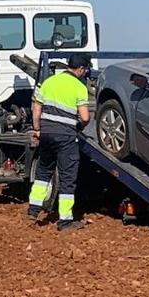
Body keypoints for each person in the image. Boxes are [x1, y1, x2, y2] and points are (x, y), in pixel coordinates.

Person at [27, 53, 92, 230]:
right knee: (67, 178)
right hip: (66, 137)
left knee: (43, 174)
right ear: (80, 69)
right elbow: (85, 117)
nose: (85, 73)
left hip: (46, 134)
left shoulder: (49, 82)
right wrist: (79, 126)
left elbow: (36, 108)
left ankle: (33, 210)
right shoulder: (79, 87)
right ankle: (65, 221)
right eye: (85, 70)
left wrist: (37, 129)